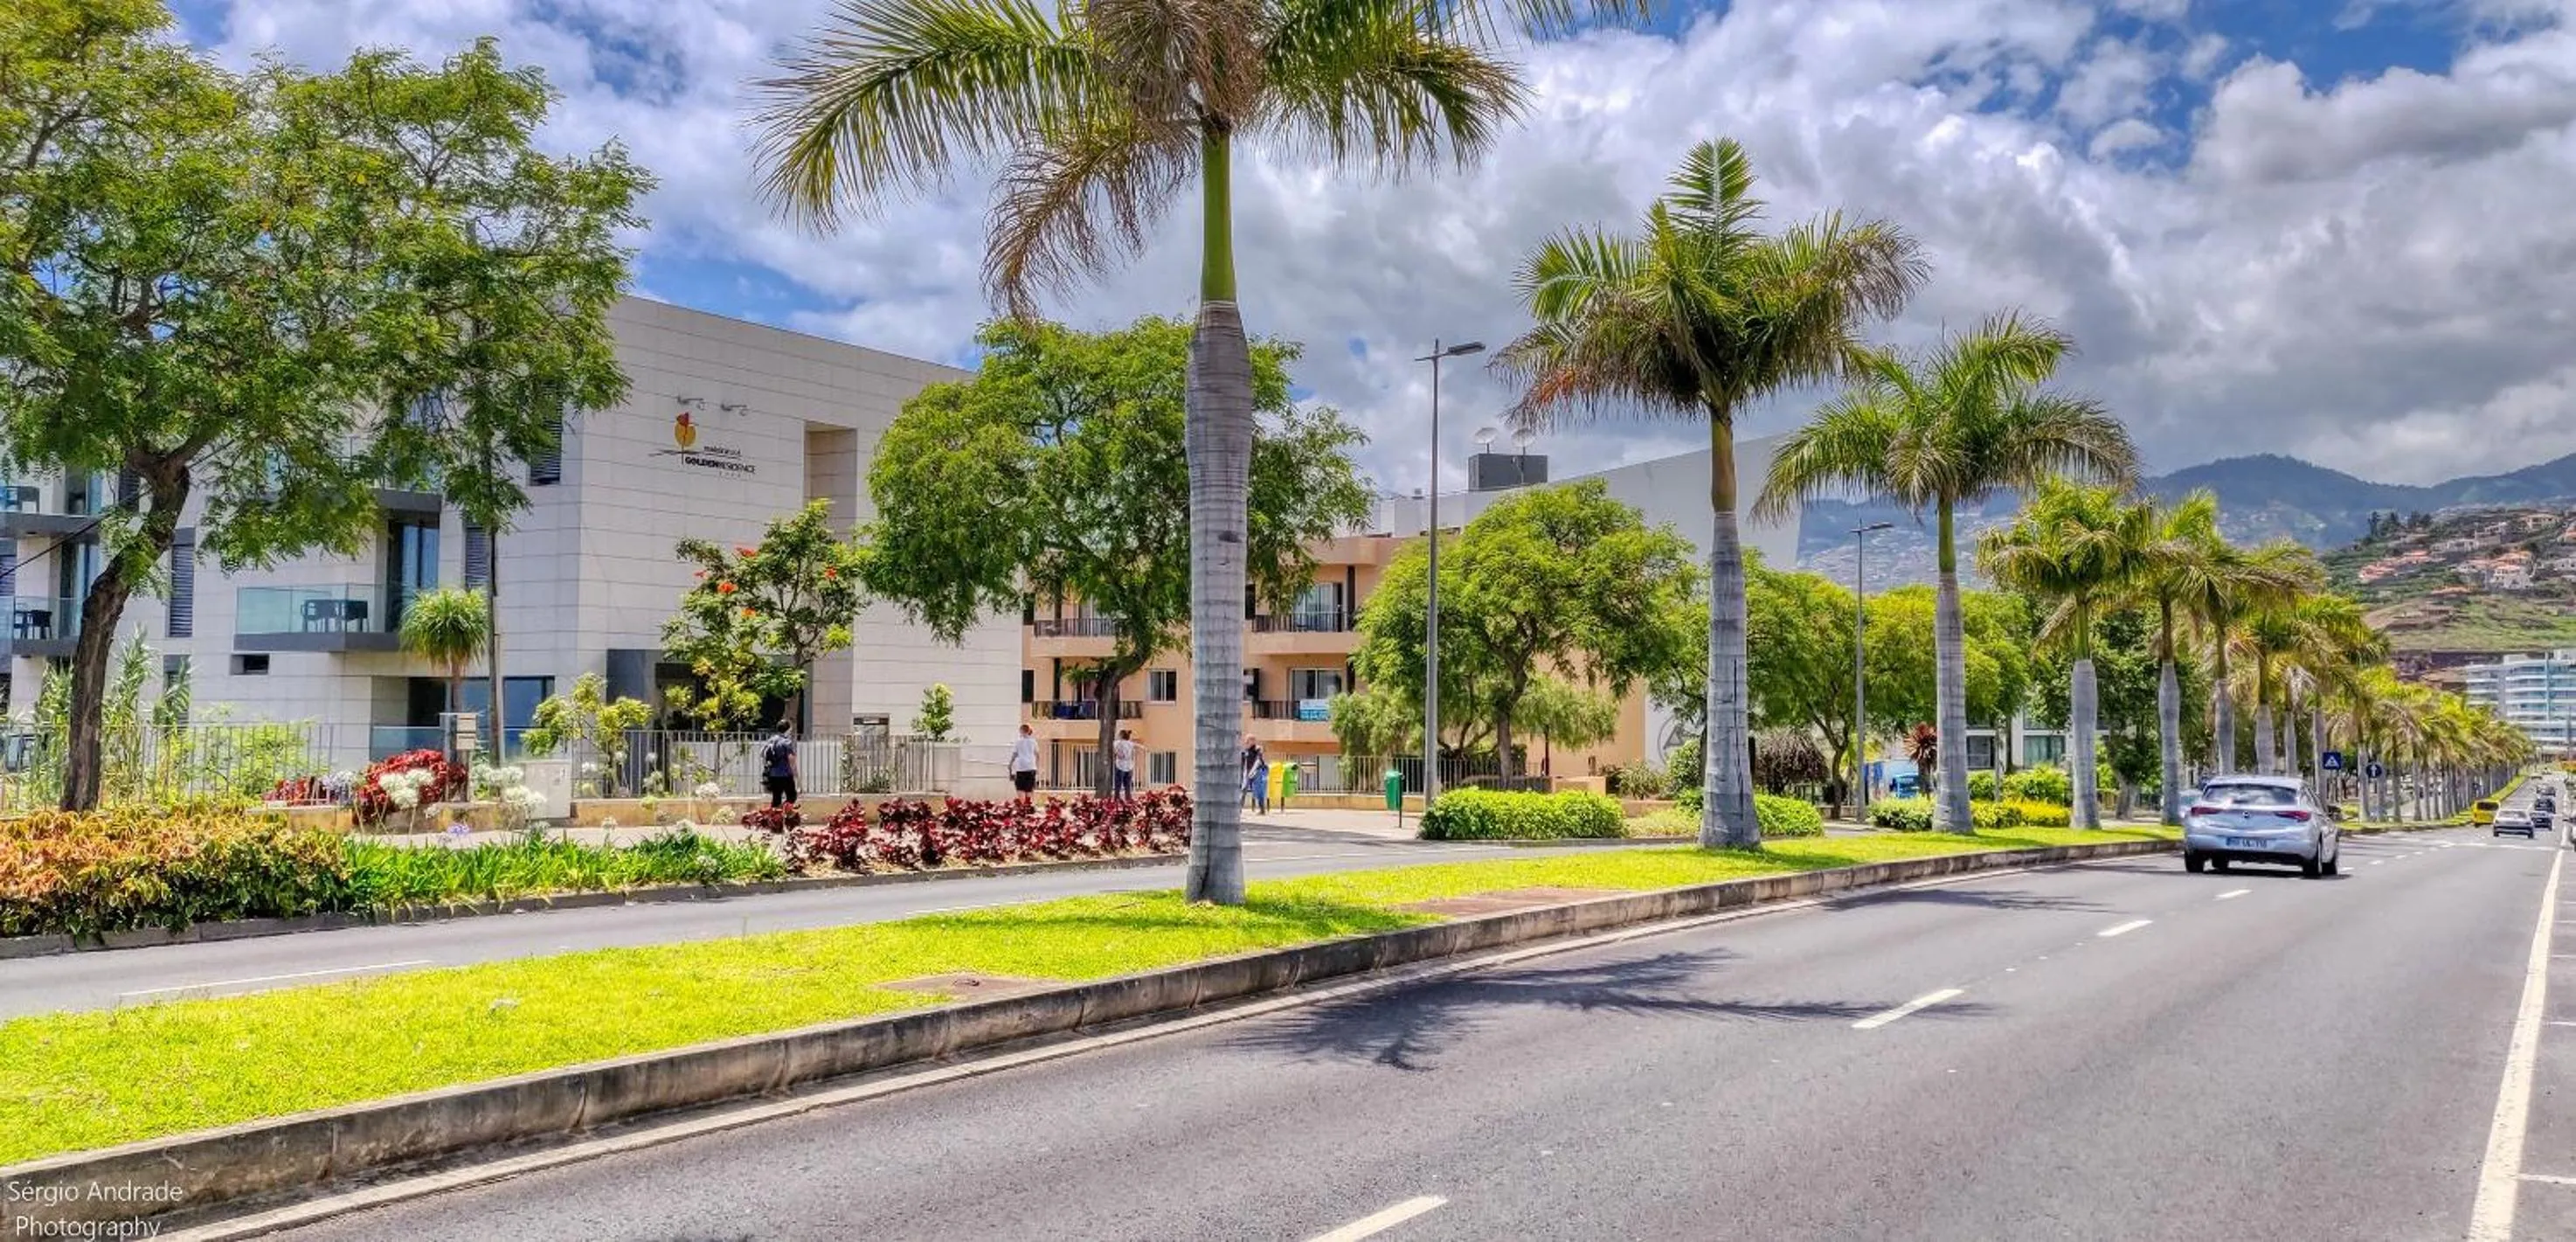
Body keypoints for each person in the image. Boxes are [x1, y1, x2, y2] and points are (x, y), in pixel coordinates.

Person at [761, 721, 799, 809]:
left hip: (773, 774)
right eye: (790, 730)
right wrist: (796, 774)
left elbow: (762, 754)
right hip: (785, 774)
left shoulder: (771, 740)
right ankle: (784, 810)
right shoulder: (786, 742)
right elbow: (791, 759)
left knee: (776, 798)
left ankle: (775, 814)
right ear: (787, 730)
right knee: (792, 796)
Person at [1009, 723, 1041, 802]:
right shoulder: (1033, 742)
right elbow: (1037, 755)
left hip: (1021, 767)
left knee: (1020, 787)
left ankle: (1023, 804)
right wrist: (1037, 767)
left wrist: (1010, 763)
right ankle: (1028, 802)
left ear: (1021, 731)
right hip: (1031, 767)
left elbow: (1015, 754)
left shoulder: (1018, 742)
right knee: (1029, 787)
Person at [1242, 735, 1268, 815]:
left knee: (1259, 790)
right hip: (1247, 771)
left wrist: (1253, 771)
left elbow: (1258, 760)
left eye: (1251, 740)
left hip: (1257, 771)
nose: (1248, 741)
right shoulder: (1245, 750)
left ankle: (1262, 809)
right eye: (1248, 740)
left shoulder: (1258, 748)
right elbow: (1243, 762)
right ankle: (1239, 809)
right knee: (1244, 788)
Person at [1111, 728, 1139, 801]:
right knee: (1128, 785)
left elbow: (1115, 750)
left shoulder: (1117, 743)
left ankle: (1117, 798)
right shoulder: (1130, 743)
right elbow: (1138, 746)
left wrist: (1117, 753)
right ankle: (1128, 798)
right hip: (1129, 766)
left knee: (1118, 784)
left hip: (1120, 765)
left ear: (1121, 735)